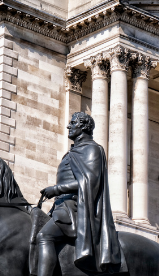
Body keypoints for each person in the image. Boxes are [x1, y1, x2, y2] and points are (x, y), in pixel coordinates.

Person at [36, 112, 122, 275]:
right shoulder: (72, 152)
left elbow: (90, 181)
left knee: (44, 236)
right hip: (61, 206)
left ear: (83, 127)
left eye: (73, 123)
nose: (68, 126)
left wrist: (56, 189)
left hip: (77, 207)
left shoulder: (92, 149)